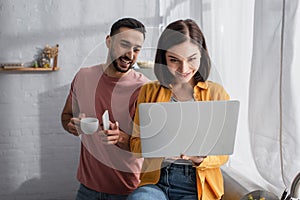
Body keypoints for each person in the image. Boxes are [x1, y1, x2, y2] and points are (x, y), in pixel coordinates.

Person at [128, 19, 230, 200]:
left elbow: (223, 153)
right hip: (157, 180)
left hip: (197, 185)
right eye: (174, 60)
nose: (184, 69)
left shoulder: (216, 93)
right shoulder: (149, 91)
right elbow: (135, 145)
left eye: (192, 59)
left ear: (202, 55)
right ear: (163, 58)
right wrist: (158, 145)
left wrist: (199, 159)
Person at [61, 18, 150, 200]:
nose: (130, 54)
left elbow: (149, 145)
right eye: (124, 44)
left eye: (137, 49)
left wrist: (121, 138)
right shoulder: (83, 77)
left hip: (127, 190)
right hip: (87, 187)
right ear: (109, 41)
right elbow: (66, 115)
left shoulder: (145, 89)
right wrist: (71, 125)